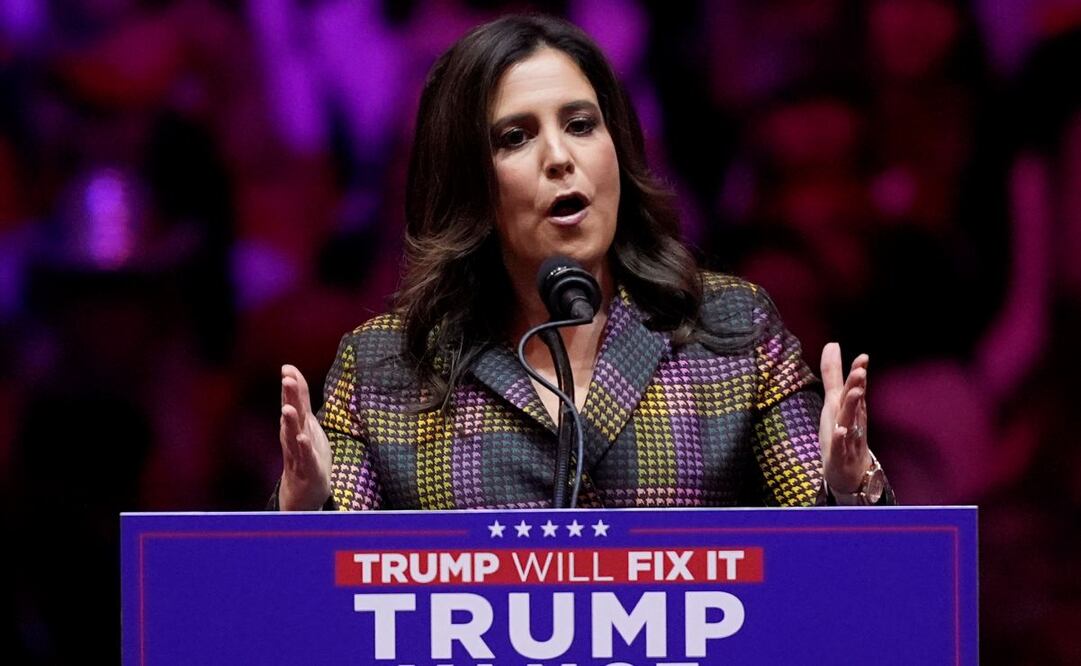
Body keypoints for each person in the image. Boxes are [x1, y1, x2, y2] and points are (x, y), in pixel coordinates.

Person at [274, 14, 894, 511]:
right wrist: (299, 512)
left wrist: (849, 489)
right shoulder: (388, 368)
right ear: (467, 180)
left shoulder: (729, 329)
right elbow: (334, 598)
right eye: (515, 137)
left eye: (580, 124)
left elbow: (831, 579)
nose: (560, 157)